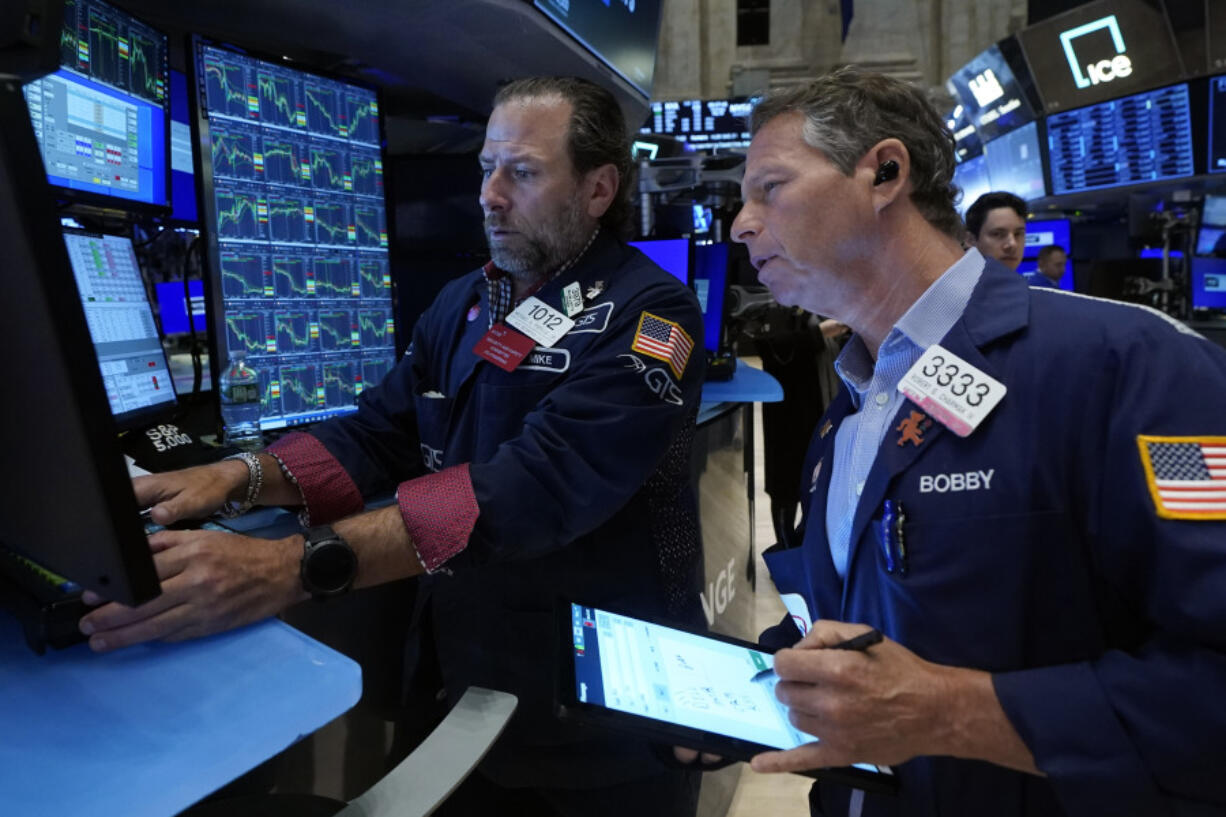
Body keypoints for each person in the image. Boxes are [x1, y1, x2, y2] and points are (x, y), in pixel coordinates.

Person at [80, 76, 706, 816]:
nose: (490, 195)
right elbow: (379, 433)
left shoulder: (651, 312)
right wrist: (238, 475)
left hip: (594, 726)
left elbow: (531, 489)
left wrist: (293, 565)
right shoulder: (466, 302)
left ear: (598, 189)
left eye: (523, 172)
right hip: (458, 693)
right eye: (486, 167)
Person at [728, 66, 1226, 816]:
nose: (740, 221)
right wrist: (747, 688)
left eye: (769, 187)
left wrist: (952, 712)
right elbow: (866, 620)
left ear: (884, 172)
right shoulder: (852, 406)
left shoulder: (1127, 365)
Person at [965, 190, 1027, 270]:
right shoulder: (954, 281)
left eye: (1018, 234)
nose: (1012, 244)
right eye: (998, 234)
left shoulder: (1028, 282)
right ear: (971, 240)